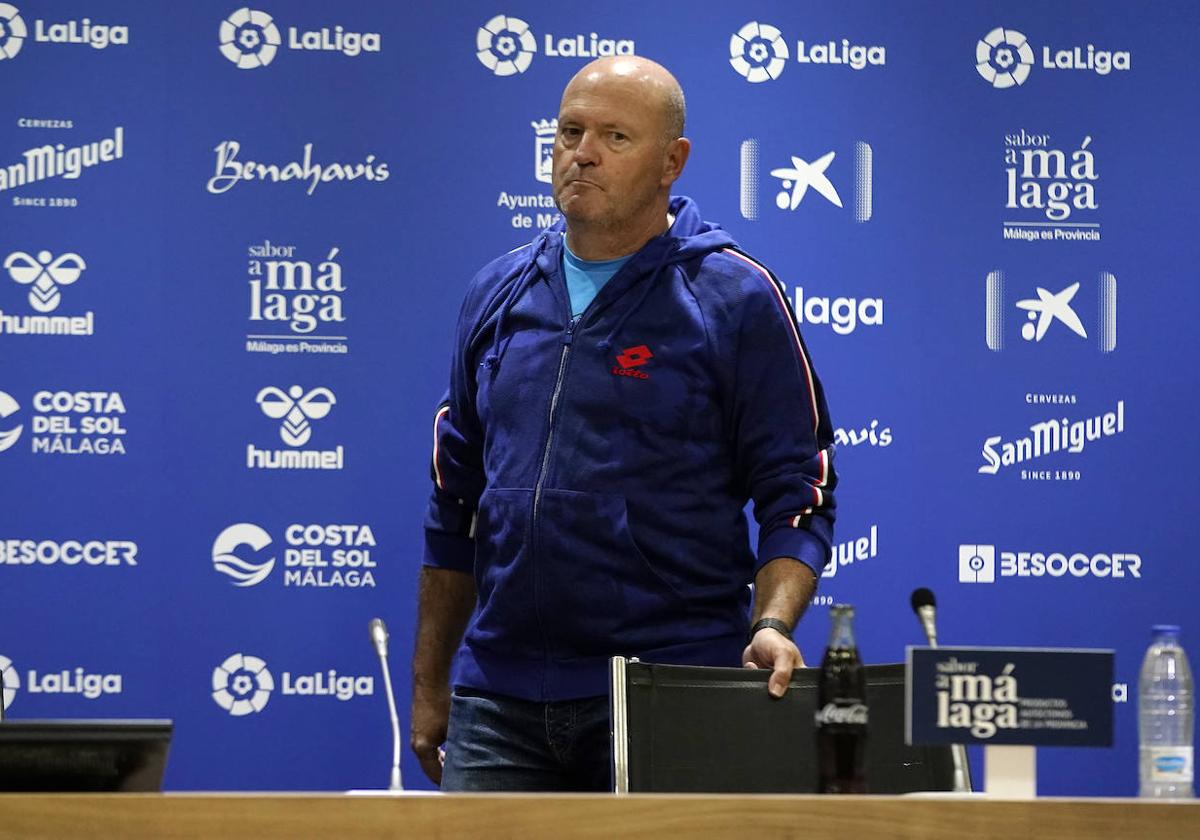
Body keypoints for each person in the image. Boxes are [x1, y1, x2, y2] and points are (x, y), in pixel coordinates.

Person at [412, 56, 837, 792]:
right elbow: (455, 504)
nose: (583, 152)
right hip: (500, 702)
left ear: (672, 161)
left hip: (672, 688)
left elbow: (797, 492)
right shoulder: (496, 291)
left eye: (614, 136)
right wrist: (429, 683)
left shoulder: (734, 298)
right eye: (570, 131)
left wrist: (772, 625)